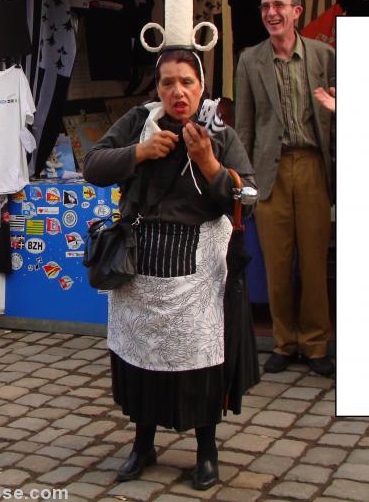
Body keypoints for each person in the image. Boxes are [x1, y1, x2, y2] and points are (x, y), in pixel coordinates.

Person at [83, 48, 256, 490]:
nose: (177, 91)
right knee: (140, 361)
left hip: (197, 273)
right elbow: (94, 167)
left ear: (201, 87)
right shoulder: (138, 123)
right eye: (167, 83)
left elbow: (248, 198)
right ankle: (143, 444)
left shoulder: (220, 132)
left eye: (187, 82)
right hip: (140, 267)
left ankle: (206, 451)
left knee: (199, 366)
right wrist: (139, 153)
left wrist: (209, 163)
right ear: (157, 87)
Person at [235, 0, 336, 377]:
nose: (271, 12)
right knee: (276, 262)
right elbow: (243, 125)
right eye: (264, 6)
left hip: (312, 166)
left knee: (313, 260)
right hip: (267, 172)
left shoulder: (324, 56)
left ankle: (315, 344)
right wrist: (243, 181)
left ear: (297, 11)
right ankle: (283, 341)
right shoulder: (249, 60)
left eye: (278, 5)